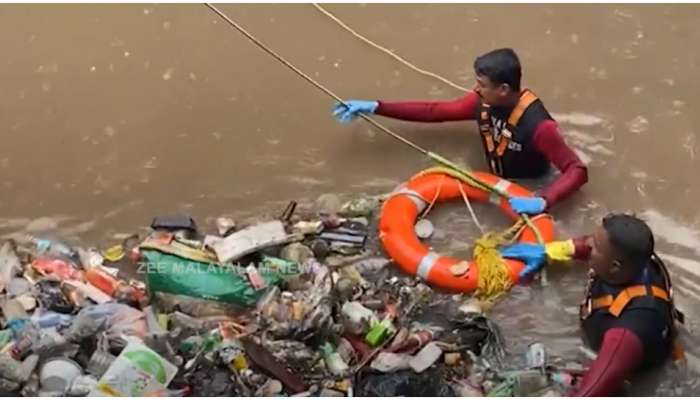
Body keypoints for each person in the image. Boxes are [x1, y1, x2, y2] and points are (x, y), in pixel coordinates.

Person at [332, 48, 588, 215]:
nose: (475, 90)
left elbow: (577, 170)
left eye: (481, 85)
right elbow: (434, 111)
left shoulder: (540, 126)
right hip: (495, 176)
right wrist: (377, 107)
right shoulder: (481, 102)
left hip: (529, 184)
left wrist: (544, 199)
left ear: (503, 89)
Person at [500, 213, 685, 396]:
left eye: (595, 246)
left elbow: (588, 394)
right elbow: (589, 244)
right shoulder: (635, 258)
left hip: (625, 365)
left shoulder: (627, 332)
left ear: (614, 266)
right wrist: (553, 250)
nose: (588, 244)